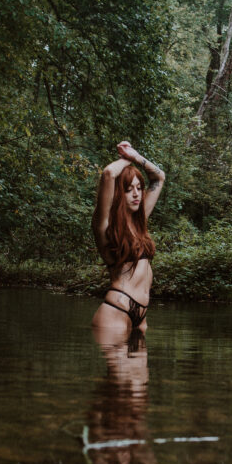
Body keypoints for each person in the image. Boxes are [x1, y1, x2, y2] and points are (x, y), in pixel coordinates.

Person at [92, 140, 165, 337]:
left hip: (141, 316)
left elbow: (159, 177)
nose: (136, 194)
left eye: (139, 188)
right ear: (118, 194)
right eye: (128, 189)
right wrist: (125, 159)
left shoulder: (140, 220)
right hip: (116, 311)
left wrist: (136, 157)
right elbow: (109, 173)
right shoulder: (105, 226)